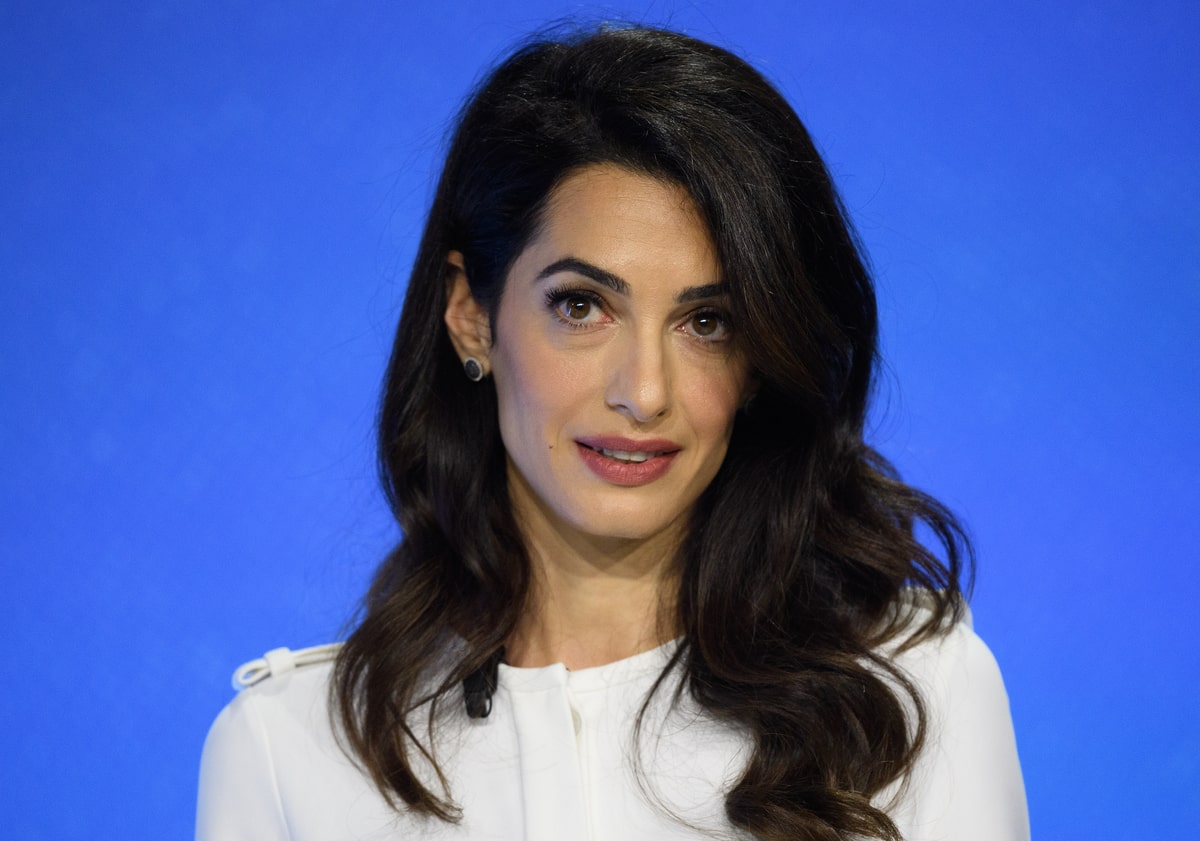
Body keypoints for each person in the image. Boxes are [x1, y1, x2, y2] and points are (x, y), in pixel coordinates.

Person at [196, 24, 1028, 841]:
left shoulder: (910, 692)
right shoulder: (292, 750)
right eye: (581, 306)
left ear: (759, 362)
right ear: (472, 316)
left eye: (707, 321)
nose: (644, 392)